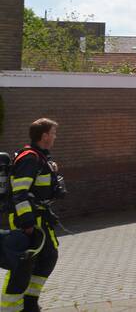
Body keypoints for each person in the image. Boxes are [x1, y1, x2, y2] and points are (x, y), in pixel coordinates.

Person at [3, 118, 63, 312]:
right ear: (44, 135)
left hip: (40, 217)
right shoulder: (29, 158)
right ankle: (9, 308)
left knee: (48, 258)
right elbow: (20, 192)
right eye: (53, 133)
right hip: (28, 220)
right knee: (22, 267)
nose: (55, 136)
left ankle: (29, 302)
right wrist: (27, 222)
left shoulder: (40, 157)